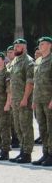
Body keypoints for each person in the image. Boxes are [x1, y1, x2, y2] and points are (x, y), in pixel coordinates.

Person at [8, 38, 35, 164]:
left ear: (24, 47)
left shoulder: (28, 61)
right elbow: (12, 82)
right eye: (15, 46)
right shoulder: (15, 61)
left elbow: (30, 83)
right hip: (15, 100)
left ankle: (27, 154)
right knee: (18, 127)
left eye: (18, 46)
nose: (15, 48)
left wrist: (25, 98)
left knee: (25, 127)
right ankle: (22, 150)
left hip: (24, 100)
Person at [32, 37, 52, 166]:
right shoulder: (38, 61)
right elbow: (35, 82)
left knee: (51, 128)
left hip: (49, 100)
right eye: (39, 43)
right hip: (39, 100)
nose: (40, 45)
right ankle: (45, 153)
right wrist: (34, 100)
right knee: (42, 128)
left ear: (50, 45)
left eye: (43, 44)